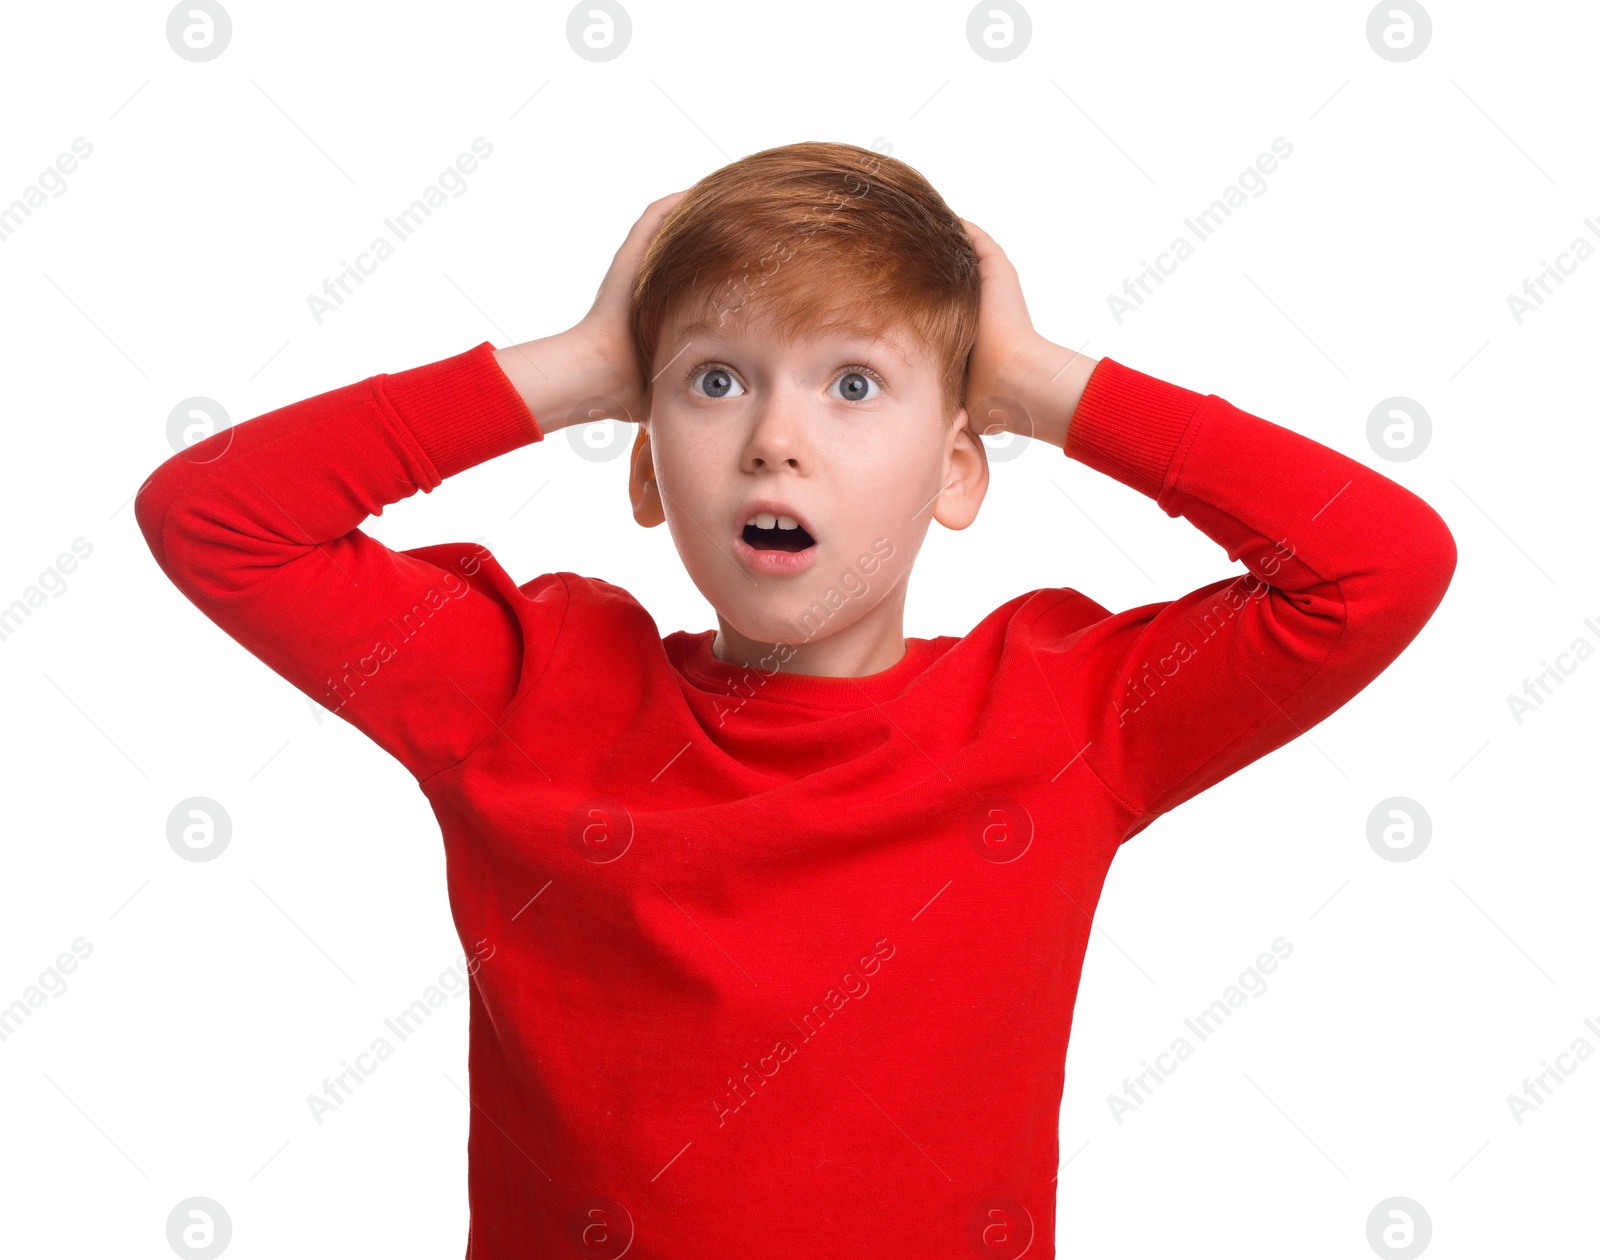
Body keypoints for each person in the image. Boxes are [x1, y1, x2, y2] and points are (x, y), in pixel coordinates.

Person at [134, 140, 1457, 1259]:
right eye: (716, 382)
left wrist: (1042, 382)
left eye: (854, 384)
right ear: (647, 471)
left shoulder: (1062, 720)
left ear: (958, 469)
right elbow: (215, 520)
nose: (777, 435)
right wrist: (590, 361)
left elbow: (1376, 566)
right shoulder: (522, 687)